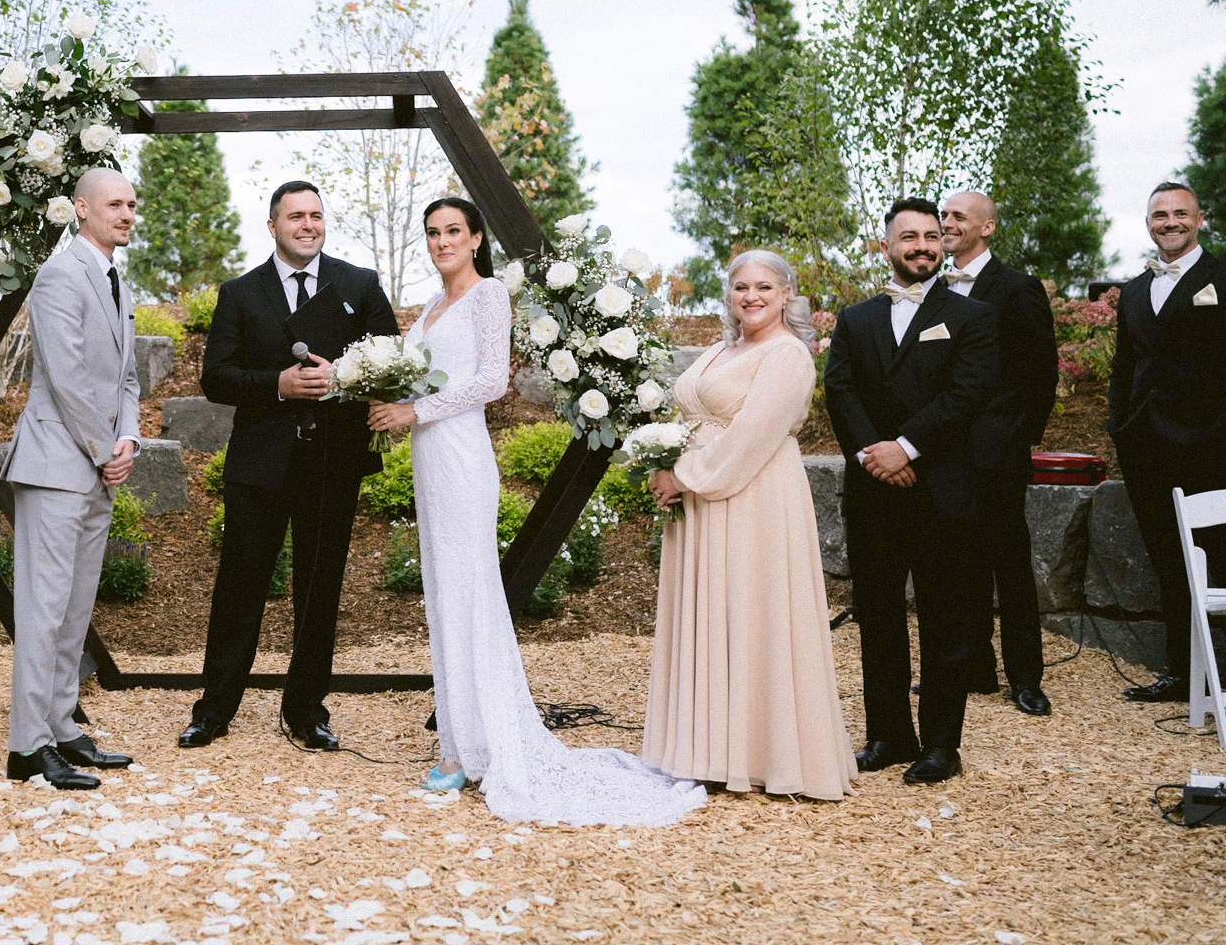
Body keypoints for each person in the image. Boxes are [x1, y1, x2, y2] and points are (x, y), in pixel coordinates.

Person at [367, 197, 704, 824]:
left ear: (475, 240)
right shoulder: (431, 307)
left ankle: (486, 743)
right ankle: (459, 743)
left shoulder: (489, 295)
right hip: (428, 458)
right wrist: (389, 393)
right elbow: (431, 374)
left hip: (462, 454)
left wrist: (416, 411)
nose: (442, 242)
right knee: (444, 595)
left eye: (453, 232)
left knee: (472, 592)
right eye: (433, 233)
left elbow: (492, 381)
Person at [181, 181, 400, 753]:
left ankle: (306, 712)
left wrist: (343, 378)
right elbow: (216, 377)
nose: (308, 224)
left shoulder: (360, 284)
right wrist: (276, 385)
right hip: (260, 464)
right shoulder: (239, 293)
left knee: (319, 588)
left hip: (333, 462)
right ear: (273, 226)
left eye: (316, 215)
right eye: (295, 216)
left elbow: (392, 363)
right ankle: (213, 709)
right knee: (239, 586)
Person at [644, 249, 857, 799]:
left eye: (764, 287)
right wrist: (661, 463)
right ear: (729, 294)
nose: (752, 297)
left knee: (752, 612)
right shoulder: (723, 348)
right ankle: (707, 748)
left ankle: (764, 753)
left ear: (787, 293)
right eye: (741, 287)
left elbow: (752, 437)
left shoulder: (788, 356)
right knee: (712, 612)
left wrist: (683, 475)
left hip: (753, 495)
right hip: (701, 494)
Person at [823, 197, 998, 786]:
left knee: (945, 618)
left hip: (941, 487)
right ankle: (889, 734)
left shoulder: (971, 316)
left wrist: (908, 447)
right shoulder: (856, 319)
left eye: (931, 236)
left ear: (943, 244)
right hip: (874, 491)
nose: (922, 245)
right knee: (878, 618)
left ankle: (941, 746)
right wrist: (877, 453)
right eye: (909, 237)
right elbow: (840, 393)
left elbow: (968, 393)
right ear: (887, 246)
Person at [0, 167, 142, 790]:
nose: (126, 213)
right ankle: (26, 745)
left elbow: (125, 381)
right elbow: (65, 377)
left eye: (131, 204)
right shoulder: (59, 274)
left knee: (76, 607)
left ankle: (60, 726)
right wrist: (104, 446)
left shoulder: (116, 280)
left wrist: (130, 438)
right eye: (114, 204)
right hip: (58, 465)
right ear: (81, 209)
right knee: (44, 608)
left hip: (100, 467)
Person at [1107, 182, 1226, 703]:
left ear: (1199, 220)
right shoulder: (1134, 290)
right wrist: (1120, 424)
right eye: (1160, 214)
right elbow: (1124, 364)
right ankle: (1183, 673)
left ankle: (1221, 680)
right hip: (1146, 445)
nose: (1170, 221)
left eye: (1180, 213)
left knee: (1218, 558)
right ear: (1148, 222)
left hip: (1211, 445)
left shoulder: (1222, 277)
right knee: (1168, 558)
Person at [940, 191, 1058, 716]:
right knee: (956, 562)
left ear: (986, 228)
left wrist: (1015, 436)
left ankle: (1025, 679)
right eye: (943, 215)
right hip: (944, 453)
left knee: (1009, 568)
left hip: (998, 452)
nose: (946, 224)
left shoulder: (1017, 289)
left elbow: (1041, 372)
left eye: (957, 217)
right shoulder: (932, 288)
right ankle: (973, 669)